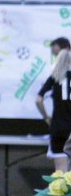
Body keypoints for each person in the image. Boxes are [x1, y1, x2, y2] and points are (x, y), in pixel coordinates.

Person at [35, 37, 71, 172]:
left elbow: (39, 99)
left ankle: (60, 193)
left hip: (59, 127)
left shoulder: (54, 77)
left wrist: (46, 117)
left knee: (60, 173)